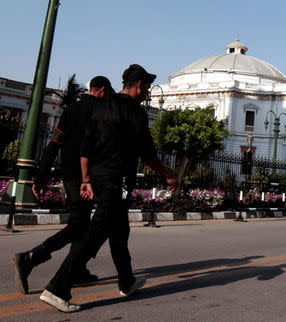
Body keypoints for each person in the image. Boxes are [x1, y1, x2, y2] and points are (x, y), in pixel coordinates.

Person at [40, 64, 177, 312]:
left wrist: (86, 179)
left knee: (119, 230)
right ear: (140, 86)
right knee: (96, 233)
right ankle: (57, 288)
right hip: (117, 180)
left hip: (97, 176)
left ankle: (127, 280)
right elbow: (147, 154)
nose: (147, 92)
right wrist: (167, 175)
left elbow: (87, 144)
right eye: (146, 87)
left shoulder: (102, 104)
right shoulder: (135, 113)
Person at [12, 76, 113, 295]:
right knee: (78, 224)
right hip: (85, 178)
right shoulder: (100, 111)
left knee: (82, 223)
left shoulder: (70, 109)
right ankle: (31, 257)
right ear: (103, 90)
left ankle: (78, 270)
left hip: (69, 176)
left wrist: (40, 177)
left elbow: (54, 143)